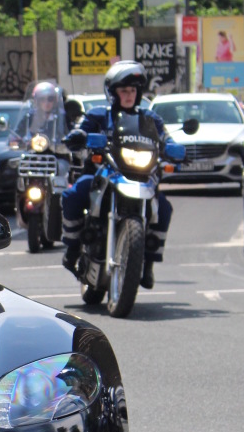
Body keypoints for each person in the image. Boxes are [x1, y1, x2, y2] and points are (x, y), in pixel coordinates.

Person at [60, 61, 177, 290]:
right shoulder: (98, 116)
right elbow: (82, 131)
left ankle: (149, 263)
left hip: (141, 176)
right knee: (74, 193)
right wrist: (78, 135)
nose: (129, 95)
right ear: (113, 93)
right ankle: (72, 247)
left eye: (133, 91)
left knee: (164, 207)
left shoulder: (151, 120)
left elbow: (166, 139)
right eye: (124, 91)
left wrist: (175, 149)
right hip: (103, 174)